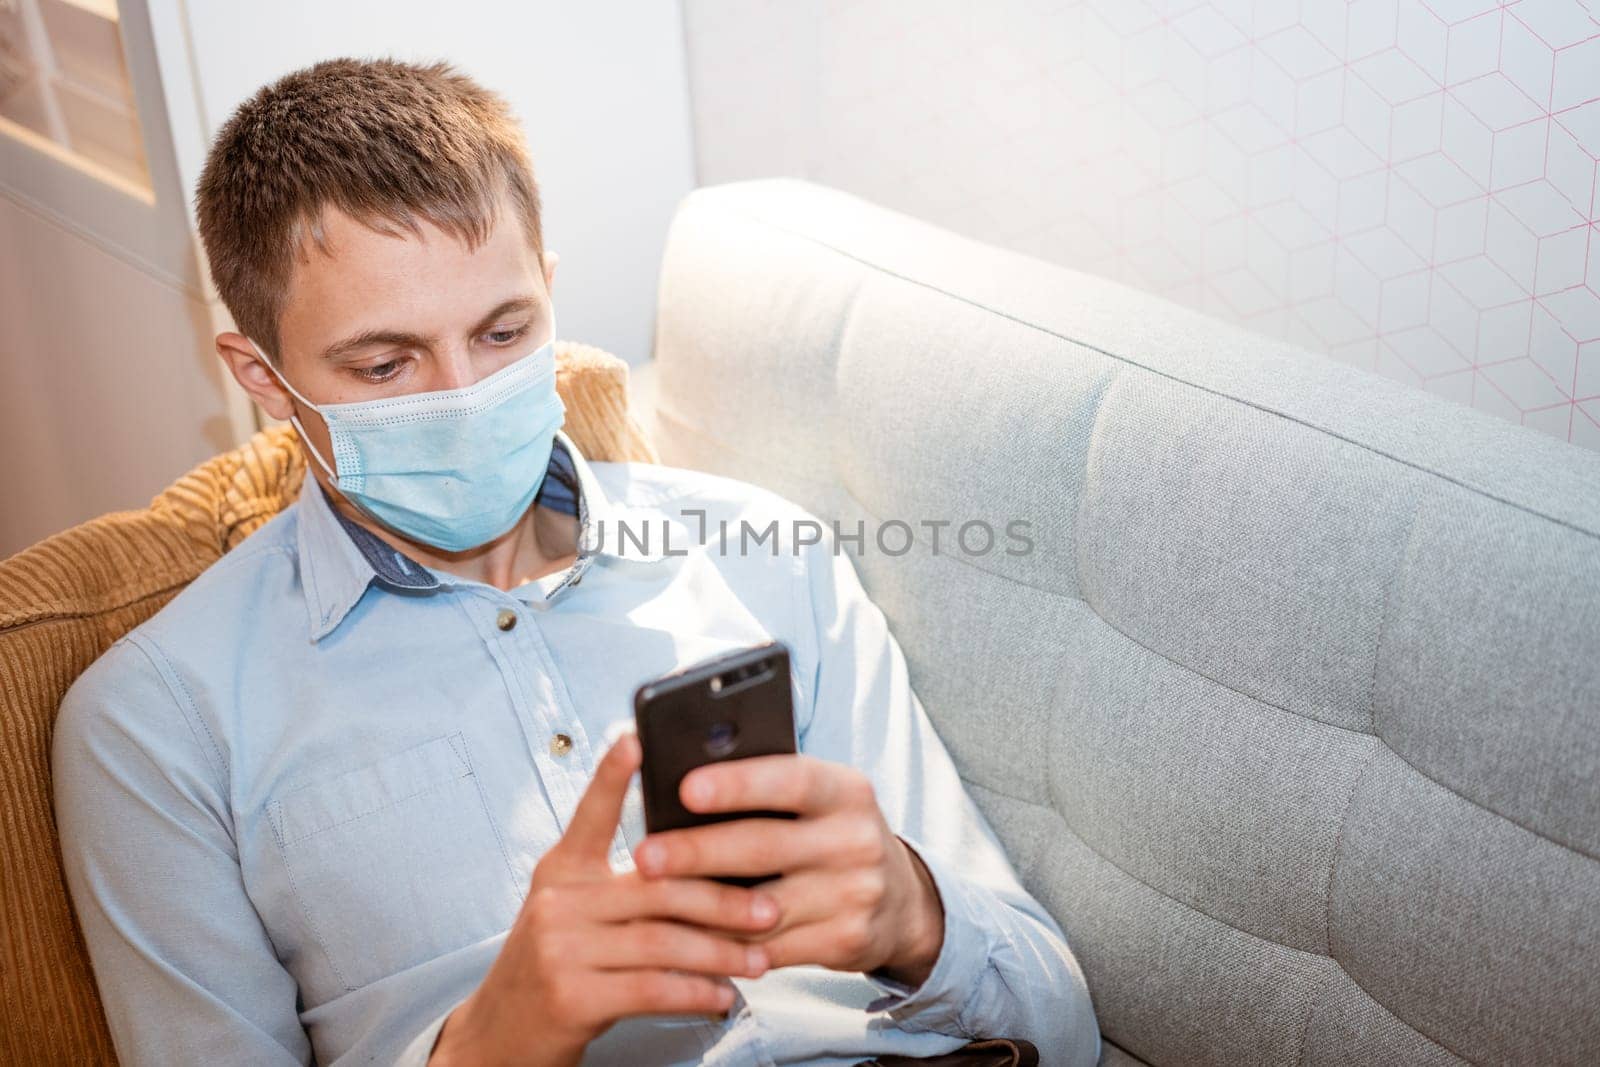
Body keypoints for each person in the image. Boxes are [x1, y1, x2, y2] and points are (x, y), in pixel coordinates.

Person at [51, 57, 1100, 1067]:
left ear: (549, 292)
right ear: (263, 376)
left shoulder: (765, 556)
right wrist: (490, 1041)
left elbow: (1058, 1021)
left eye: (505, 331)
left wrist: (914, 911)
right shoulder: (156, 722)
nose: (463, 393)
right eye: (385, 362)